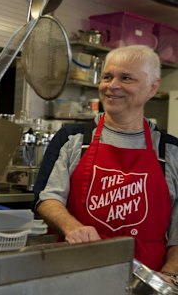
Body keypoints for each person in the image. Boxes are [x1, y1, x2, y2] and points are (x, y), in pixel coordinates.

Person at [35, 45, 178, 276]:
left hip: (144, 282)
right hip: (75, 273)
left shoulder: (170, 150)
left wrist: (168, 276)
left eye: (126, 78)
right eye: (107, 77)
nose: (112, 86)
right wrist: (72, 227)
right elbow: (46, 197)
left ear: (152, 88)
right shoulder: (73, 139)